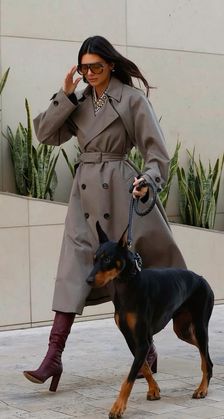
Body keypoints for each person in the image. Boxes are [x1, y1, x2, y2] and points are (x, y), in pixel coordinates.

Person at [23, 35, 186, 391]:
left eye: (97, 66)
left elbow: (157, 153)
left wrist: (148, 179)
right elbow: (45, 135)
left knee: (133, 274)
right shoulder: (78, 100)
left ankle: (146, 347)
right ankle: (53, 357)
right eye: (84, 67)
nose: (91, 73)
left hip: (123, 191)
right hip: (84, 197)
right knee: (71, 271)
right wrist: (65, 94)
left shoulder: (131, 99)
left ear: (111, 64)